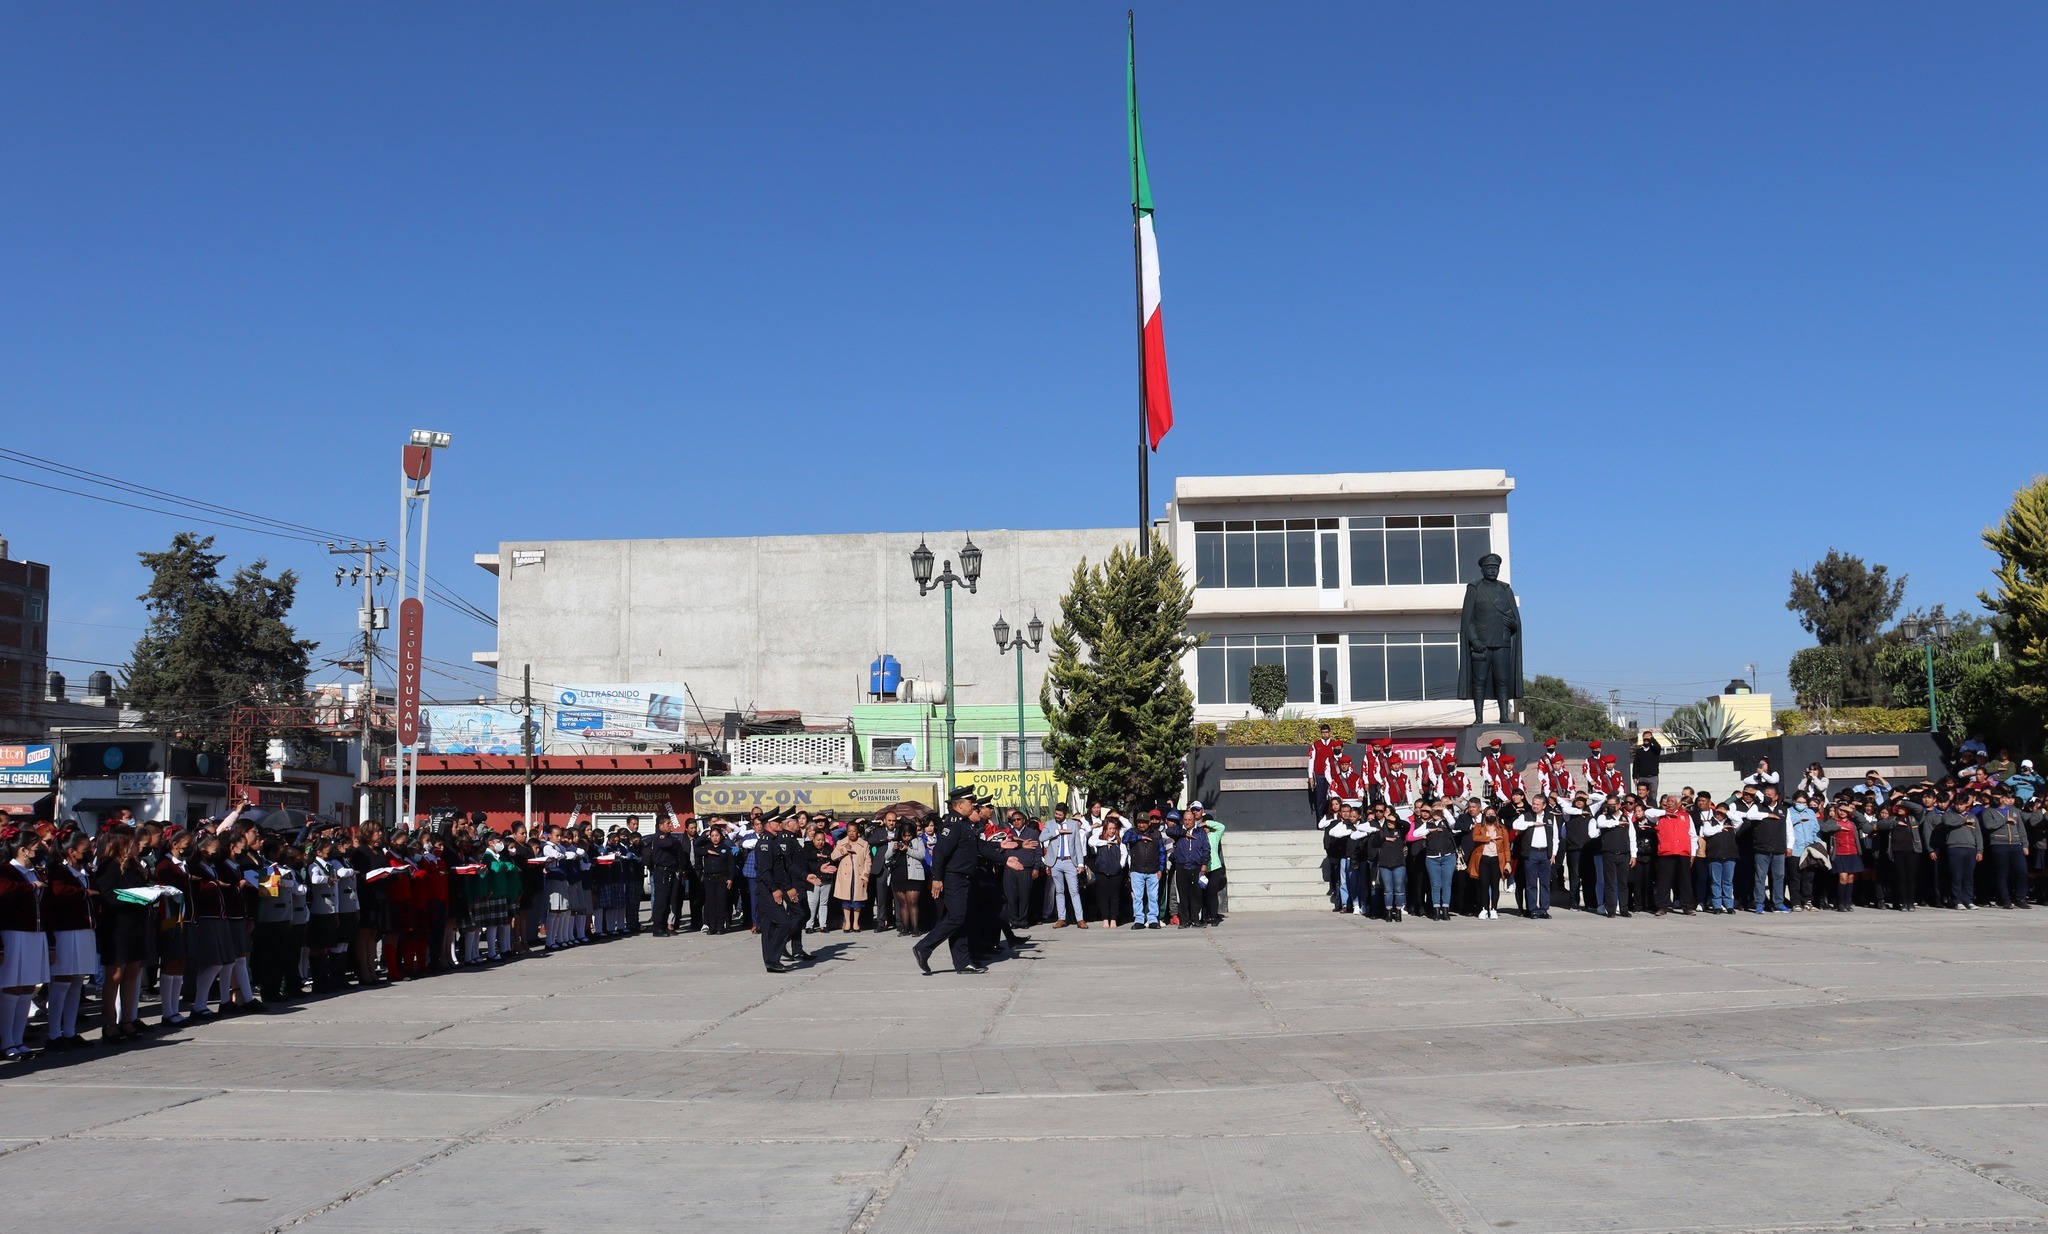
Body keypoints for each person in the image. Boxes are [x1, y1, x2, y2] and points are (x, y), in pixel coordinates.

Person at [44, 830, 98, 1049]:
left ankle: (70, 1031)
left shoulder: (84, 870)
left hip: (85, 930)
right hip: (66, 932)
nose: (90, 853)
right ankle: (54, 1033)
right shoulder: (58, 870)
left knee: (77, 981)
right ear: (71, 852)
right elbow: (58, 891)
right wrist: (84, 893)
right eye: (85, 850)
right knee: (61, 982)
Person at [0, 828, 51, 1058]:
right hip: (15, 933)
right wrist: (30, 887)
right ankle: (7, 1041)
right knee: (12, 986)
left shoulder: (35, 872)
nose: (40, 848)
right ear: (23, 849)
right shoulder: (7, 871)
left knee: (28, 987)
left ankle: (18, 1039)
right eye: (36, 844)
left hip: (35, 934)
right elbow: (5, 891)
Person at [1510, 794, 1561, 919]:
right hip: (1531, 853)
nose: (1535, 806)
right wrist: (1532, 823)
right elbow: (1515, 825)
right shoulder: (1526, 815)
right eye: (1533, 803)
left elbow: (1555, 837)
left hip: (1545, 853)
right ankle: (1532, 909)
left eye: (1538, 804)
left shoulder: (1550, 817)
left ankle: (1543, 909)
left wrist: (1553, 853)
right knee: (1531, 883)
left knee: (1544, 883)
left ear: (1544, 805)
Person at [1980, 788, 2031, 910]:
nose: (1996, 799)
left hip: (2016, 844)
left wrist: (2025, 844)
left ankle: (2020, 898)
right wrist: (2004, 820)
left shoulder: (2013, 810)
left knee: (2022, 872)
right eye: (1994, 797)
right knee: (2002, 873)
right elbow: (1989, 825)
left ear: (2004, 797)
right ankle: (2005, 899)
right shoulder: (1988, 811)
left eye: (1998, 797)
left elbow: (2021, 828)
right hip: (1999, 844)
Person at [1040, 804, 1086, 929]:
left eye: (1060, 814)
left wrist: (1080, 863)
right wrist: (1057, 832)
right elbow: (1041, 837)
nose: (1057, 816)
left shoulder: (1073, 824)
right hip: (1055, 862)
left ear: (1065, 814)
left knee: (1074, 891)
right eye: (1056, 814)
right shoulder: (1049, 824)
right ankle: (1062, 918)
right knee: (1059, 891)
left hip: (1070, 861)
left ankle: (1080, 919)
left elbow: (1077, 845)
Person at [1165, 812, 1210, 929]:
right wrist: (1184, 833)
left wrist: (1204, 865)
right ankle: (1184, 920)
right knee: (1182, 896)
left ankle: (1196, 919)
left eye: (1190, 819)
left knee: (1196, 895)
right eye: (1185, 820)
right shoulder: (1179, 831)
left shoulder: (1200, 832)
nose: (1187, 822)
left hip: (1196, 867)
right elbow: (1168, 831)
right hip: (1182, 867)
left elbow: (1206, 849)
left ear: (1194, 819)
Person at [1124, 812, 1166, 929]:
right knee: (1138, 896)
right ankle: (1139, 920)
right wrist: (1139, 837)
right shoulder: (1132, 832)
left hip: (1153, 870)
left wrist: (1161, 869)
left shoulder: (1156, 834)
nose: (1141, 825)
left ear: (1149, 823)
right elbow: (1124, 839)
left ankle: (1153, 919)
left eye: (1144, 823)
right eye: (1139, 822)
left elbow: (1162, 852)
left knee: (1153, 896)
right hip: (1137, 870)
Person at [1466, 809, 1510, 920]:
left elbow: (1506, 847)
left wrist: (1508, 862)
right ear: (1485, 815)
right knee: (1483, 885)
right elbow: (1475, 837)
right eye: (1488, 814)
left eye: (1493, 814)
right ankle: (1484, 908)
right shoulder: (1479, 827)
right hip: (1483, 859)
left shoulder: (1502, 829)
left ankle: (1494, 908)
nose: (1491, 816)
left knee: (1495, 885)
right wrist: (1490, 838)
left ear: (1496, 815)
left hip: (1496, 859)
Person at [831, 822, 872, 932]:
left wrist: (865, 876)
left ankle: (856, 922)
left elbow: (868, 861)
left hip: (858, 875)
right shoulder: (841, 842)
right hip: (845, 875)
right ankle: (848, 922)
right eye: (849, 831)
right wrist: (844, 850)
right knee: (846, 900)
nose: (851, 833)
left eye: (854, 831)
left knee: (857, 899)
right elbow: (833, 856)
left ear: (857, 831)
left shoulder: (864, 844)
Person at [1086, 815, 1126, 927]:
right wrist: (1105, 842)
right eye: (1110, 828)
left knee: (1114, 895)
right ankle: (1105, 918)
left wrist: (1120, 865)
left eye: (1114, 829)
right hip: (1102, 871)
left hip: (1115, 872)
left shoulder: (1119, 840)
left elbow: (1124, 854)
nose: (1112, 831)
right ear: (1105, 829)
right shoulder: (1099, 840)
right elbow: (1090, 841)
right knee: (1103, 895)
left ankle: (1113, 918)